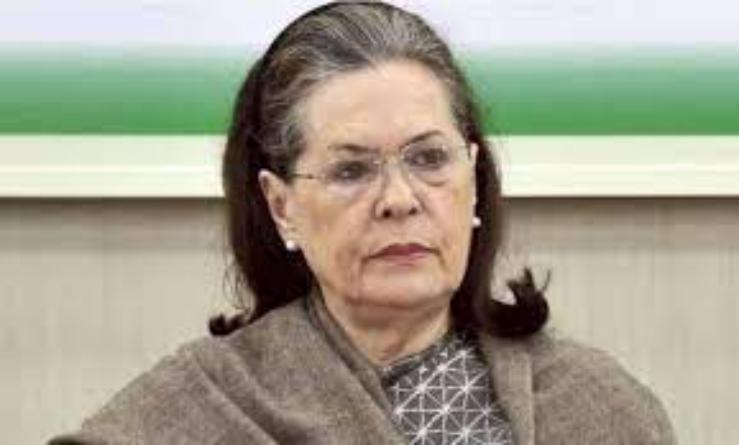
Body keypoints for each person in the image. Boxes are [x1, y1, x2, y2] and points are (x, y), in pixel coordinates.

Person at [51, 2, 675, 444]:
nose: (399, 200)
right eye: (351, 170)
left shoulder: (592, 404)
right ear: (281, 205)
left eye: (429, 159)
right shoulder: (205, 407)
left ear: (473, 178)